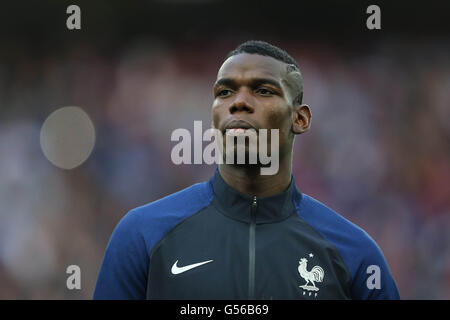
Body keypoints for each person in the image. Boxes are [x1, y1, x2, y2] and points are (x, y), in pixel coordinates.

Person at [93, 40, 400, 300]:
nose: (239, 102)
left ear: (300, 119)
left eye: (263, 90)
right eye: (225, 92)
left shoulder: (355, 255)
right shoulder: (141, 236)